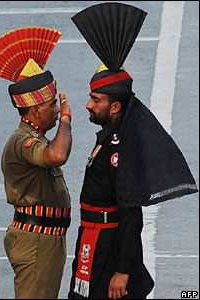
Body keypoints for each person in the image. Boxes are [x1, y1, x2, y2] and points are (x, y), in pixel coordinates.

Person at [68, 3, 198, 299]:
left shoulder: (120, 148)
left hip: (108, 247)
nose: (88, 104)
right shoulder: (111, 136)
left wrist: (123, 270)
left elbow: (131, 212)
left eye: (95, 99)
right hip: (93, 239)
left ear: (115, 107)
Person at [0, 27, 72, 299]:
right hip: (36, 242)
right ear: (35, 110)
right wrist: (66, 120)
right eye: (52, 105)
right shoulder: (23, 141)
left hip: (46, 238)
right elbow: (57, 156)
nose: (56, 110)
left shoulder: (36, 136)